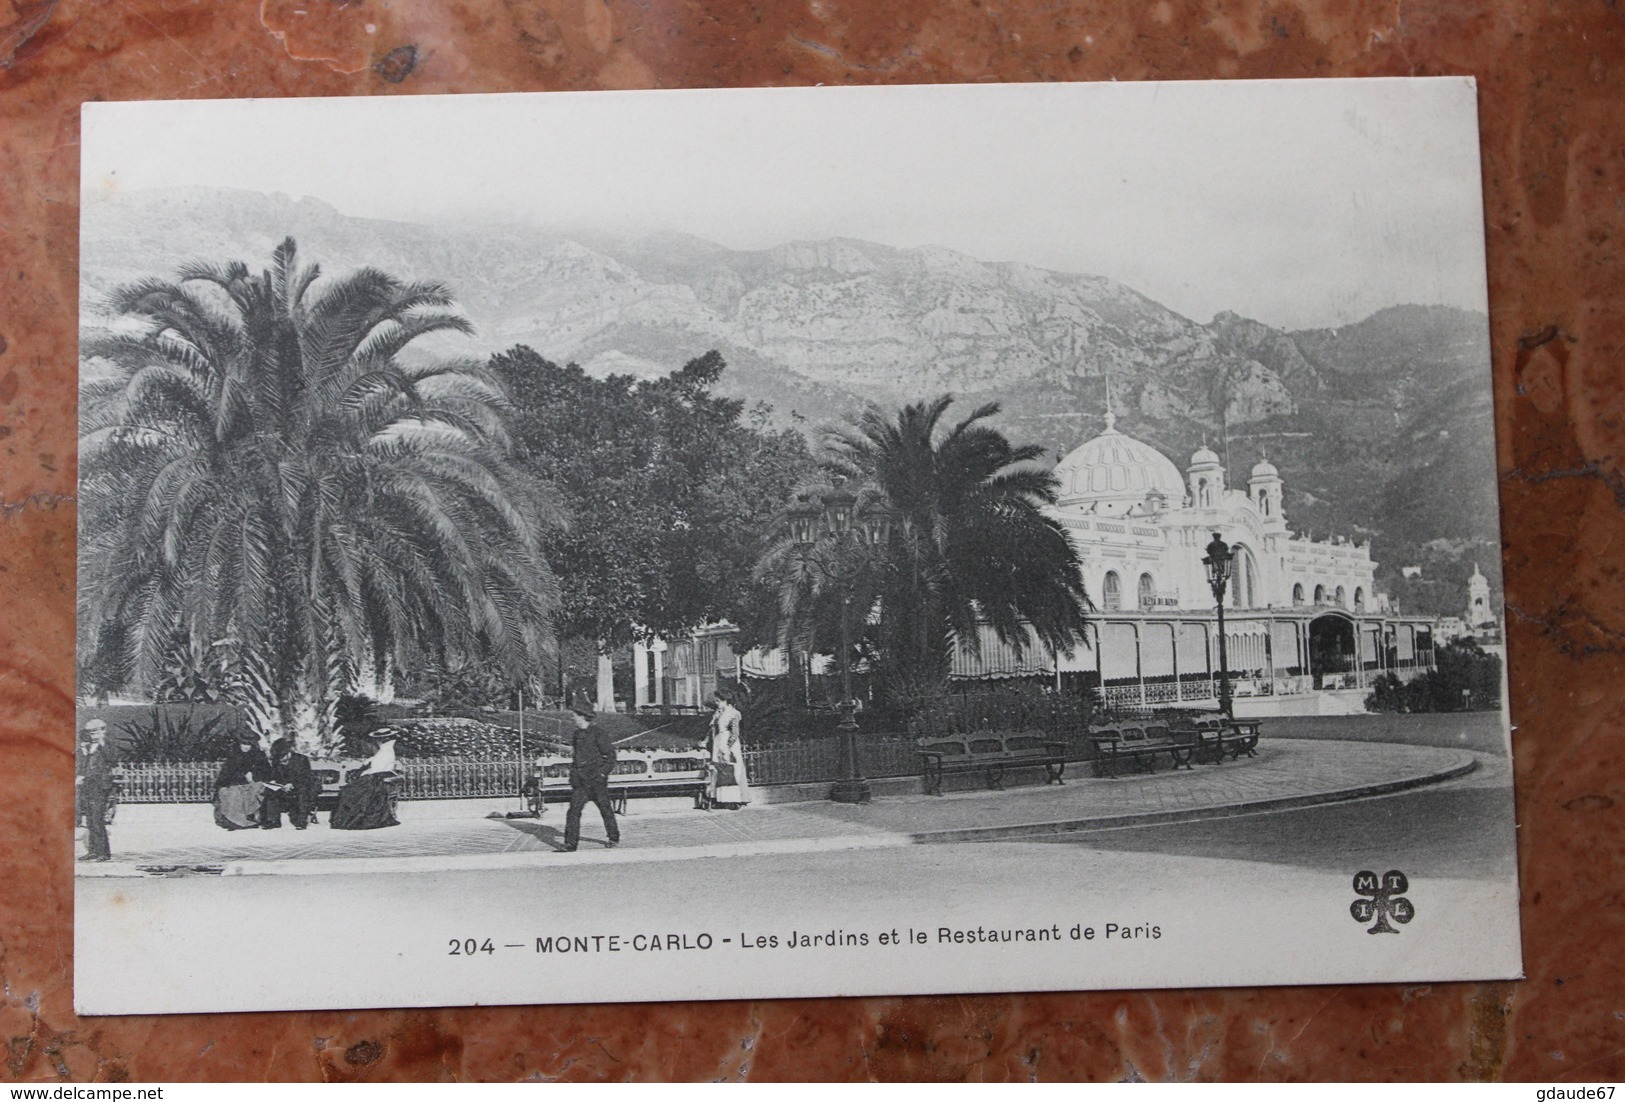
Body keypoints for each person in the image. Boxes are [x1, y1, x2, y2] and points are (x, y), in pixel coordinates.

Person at [561, 706, 619, 852]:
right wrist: (574, 774)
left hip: (596, 781)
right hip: (580, 782)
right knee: (573, 811)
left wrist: (601, 774)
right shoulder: (577, 734)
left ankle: (613, 837)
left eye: (574, 715)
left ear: (582, 716)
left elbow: (610, 757)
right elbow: (577, 756)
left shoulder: (598, 733)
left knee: (605, 809)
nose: (572, 718)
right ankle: (570, 843)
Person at [331, 730, 400, 830]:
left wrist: (366, 770)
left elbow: (378, 768)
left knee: (352, 792)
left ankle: (352, 819)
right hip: (373, 776)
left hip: (376, 778)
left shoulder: (387, 750)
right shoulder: (383, 750)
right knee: (349, 790)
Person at [76, 718, 117, 861]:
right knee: (90, 820)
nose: (91, 735)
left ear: (102, 730)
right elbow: (83, 765)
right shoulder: (87, 747)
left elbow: (113, 760)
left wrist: (101, 742)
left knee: (98, 819)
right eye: (89, 732)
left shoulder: (107, 745)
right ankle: (93, 851)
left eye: (94, 732)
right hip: (88, 787)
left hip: (101, 787)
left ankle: (104, 853)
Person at [213, 730, 271, 830]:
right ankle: (233, 820)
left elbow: (266, 771)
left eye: (248, 744)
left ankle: (245, 819)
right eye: (243, 743)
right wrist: (242, 776)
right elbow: (226, 774)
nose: (245, 746)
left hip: (254, 783)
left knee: (255, 790)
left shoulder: (259, 756)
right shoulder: (233, 755)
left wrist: (254, 774)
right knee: (232, 793)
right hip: (233, 783)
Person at [705, 691, 753, 809]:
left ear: (726, 700)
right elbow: (713, 729)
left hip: (728, 743)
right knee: (719, 769)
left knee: (732, 768)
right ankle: (720, 798)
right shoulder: (718, 713)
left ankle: (734, 799)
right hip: (718, 741)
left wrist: (728, 747)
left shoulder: (734, 713)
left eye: (719, 701)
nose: (717, 703)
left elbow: (735, 732)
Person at [261, 737, 319, 829]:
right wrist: (273, 781)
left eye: (283, 758)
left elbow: (306, 778)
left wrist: (292, 784)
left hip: (300, 787)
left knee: (302, 792)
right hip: (283, 787)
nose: (281, 761)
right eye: (279, 759)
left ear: (288, 753)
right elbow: (275, 775)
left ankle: (301, 821)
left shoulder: (302, 759)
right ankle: (273, 820)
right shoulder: (277, 760)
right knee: (269, 791)